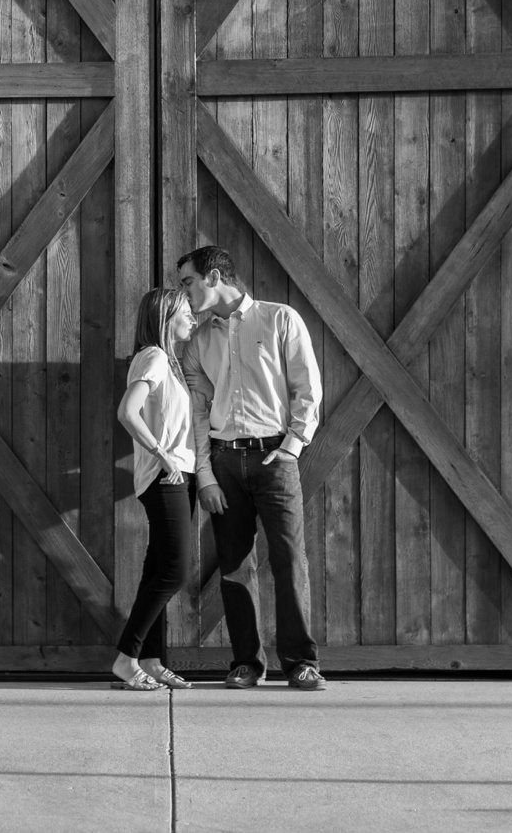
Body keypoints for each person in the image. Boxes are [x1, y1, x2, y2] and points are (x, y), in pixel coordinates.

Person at [179, 244, 325, 691]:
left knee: (289, 559)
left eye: (187, 281)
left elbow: (307, 388)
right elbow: (197, 414)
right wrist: (204, 474)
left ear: (214, 277)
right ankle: (246, 663)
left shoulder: (280, 319)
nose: (181, 291)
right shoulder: (198, 341)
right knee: (234, 565)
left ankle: (300, 662)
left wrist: (292, 447)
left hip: (274, 458)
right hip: (224, 462)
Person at [112, 288, 198, 691]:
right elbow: (127, 412)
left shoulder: (169, 361)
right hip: (167, 478)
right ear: (166, 317)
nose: (193, 319)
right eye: (186, 312)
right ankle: (127, 659)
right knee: (175, 570)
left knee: (157, 572)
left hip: (180, 476)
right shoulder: (155, 356)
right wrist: (162, 455)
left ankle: (148, 658)